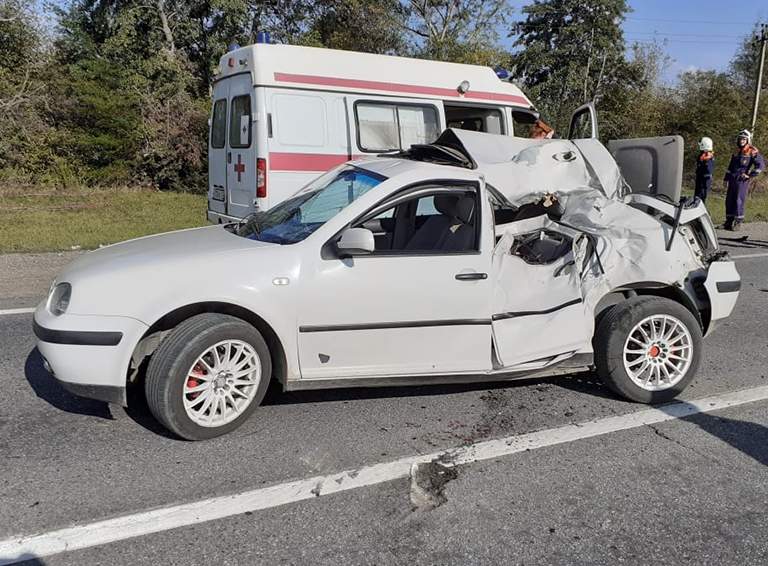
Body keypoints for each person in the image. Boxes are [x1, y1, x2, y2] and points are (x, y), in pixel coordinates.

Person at [723, 129, 764, 231]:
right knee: (729, 200)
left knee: (738, 200)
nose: (742, 141)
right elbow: (730, 166)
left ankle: (738, 222)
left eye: (744, 139)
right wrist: (726, 179)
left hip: (741, 180)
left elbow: (760, 165)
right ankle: (728, 221)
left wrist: (749, 175)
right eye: (740, 139)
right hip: (732, 179)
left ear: (748, 140)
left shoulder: (752, 151)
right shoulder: (736, 151)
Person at [694, 137, 714, 202]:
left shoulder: (708, 158)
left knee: (701, 198)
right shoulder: (702, 156)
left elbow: (708, 171)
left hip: (704, 182)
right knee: (697, 196)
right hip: (700, 180)